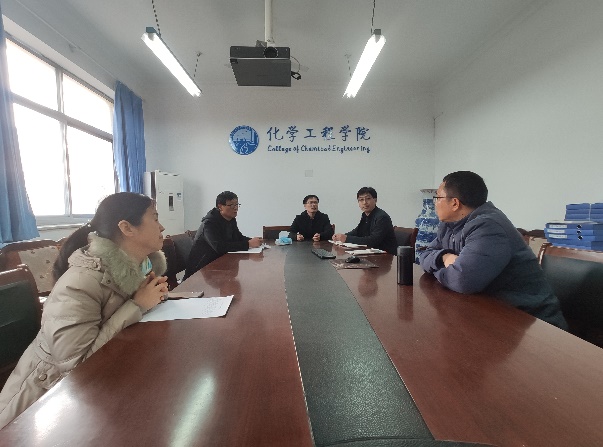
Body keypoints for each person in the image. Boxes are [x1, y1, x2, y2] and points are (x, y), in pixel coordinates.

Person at [0, 192, 169, 429]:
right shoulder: (79, 282)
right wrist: (137, 305)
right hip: (38, 410)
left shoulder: (136, 269)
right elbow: (76, 367)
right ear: (127, 228)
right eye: (155, 218)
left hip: (94, 391)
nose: (162, 227)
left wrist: (151, 297)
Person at [418, 171, 567, 329]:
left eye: (438, 197)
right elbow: (424, 255)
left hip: (531, 321)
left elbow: (463, 280)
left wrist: (436, 268)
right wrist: (445, 258)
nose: (435, 203)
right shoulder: (448, 225)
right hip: (488, 310)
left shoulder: (488, 226)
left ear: (455, 203)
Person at [184, 191, 262, 279]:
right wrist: (248, 244)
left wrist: (254, 241)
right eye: (232, 205)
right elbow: (219, 247)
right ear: (220, 206)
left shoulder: (231, 219)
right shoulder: (209, 223)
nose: (236, 208)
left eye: (237, 204)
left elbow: (238, 237)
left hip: (219, 265)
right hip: (200, 272)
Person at [332, 186, 398, 254]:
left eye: (368, 199)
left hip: (386, 256)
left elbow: (372, 241)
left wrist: (346, 238)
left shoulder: (382, 217)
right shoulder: (365, 215)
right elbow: (357, 231)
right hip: (372, 253)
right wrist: (340, 236)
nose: (364, 202)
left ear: (375, 200)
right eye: (361, 200)